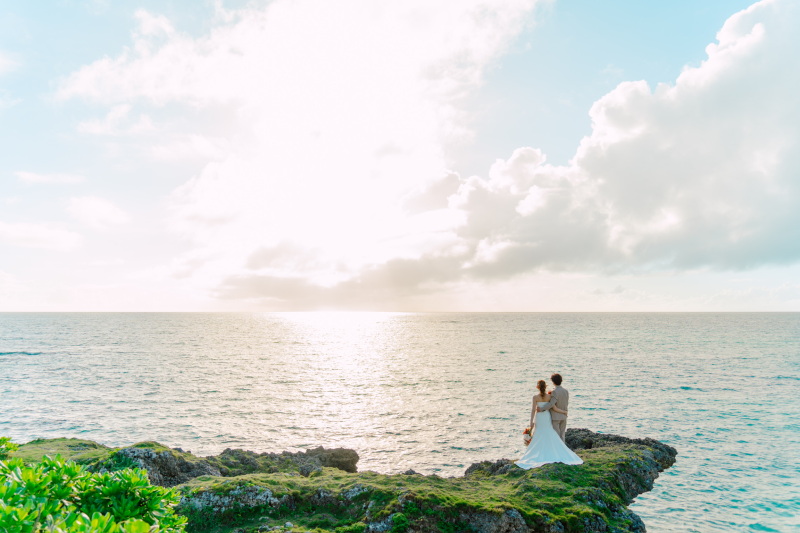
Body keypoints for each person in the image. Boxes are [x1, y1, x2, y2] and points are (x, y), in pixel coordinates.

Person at [516, 379, 582, 469]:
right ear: (545, 386)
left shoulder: (535, 397)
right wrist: (564, 412)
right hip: (546, 417)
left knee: (539, 434)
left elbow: (533, 410)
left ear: (537, 387)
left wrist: (531, 422)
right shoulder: (549, 396)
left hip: (539, 417)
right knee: (549, 433)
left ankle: (539, 453)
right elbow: (554, 408)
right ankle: (552, 451)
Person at [537, 373, 569, 441]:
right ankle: (562, 450)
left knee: (556, 436)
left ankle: (558, 451)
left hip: (556, 417)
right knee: (562, 436)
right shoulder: (566, 391)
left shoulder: (555, 392)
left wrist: (542, 408)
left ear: (553, 382)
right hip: (564, 416)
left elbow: (551, 404)